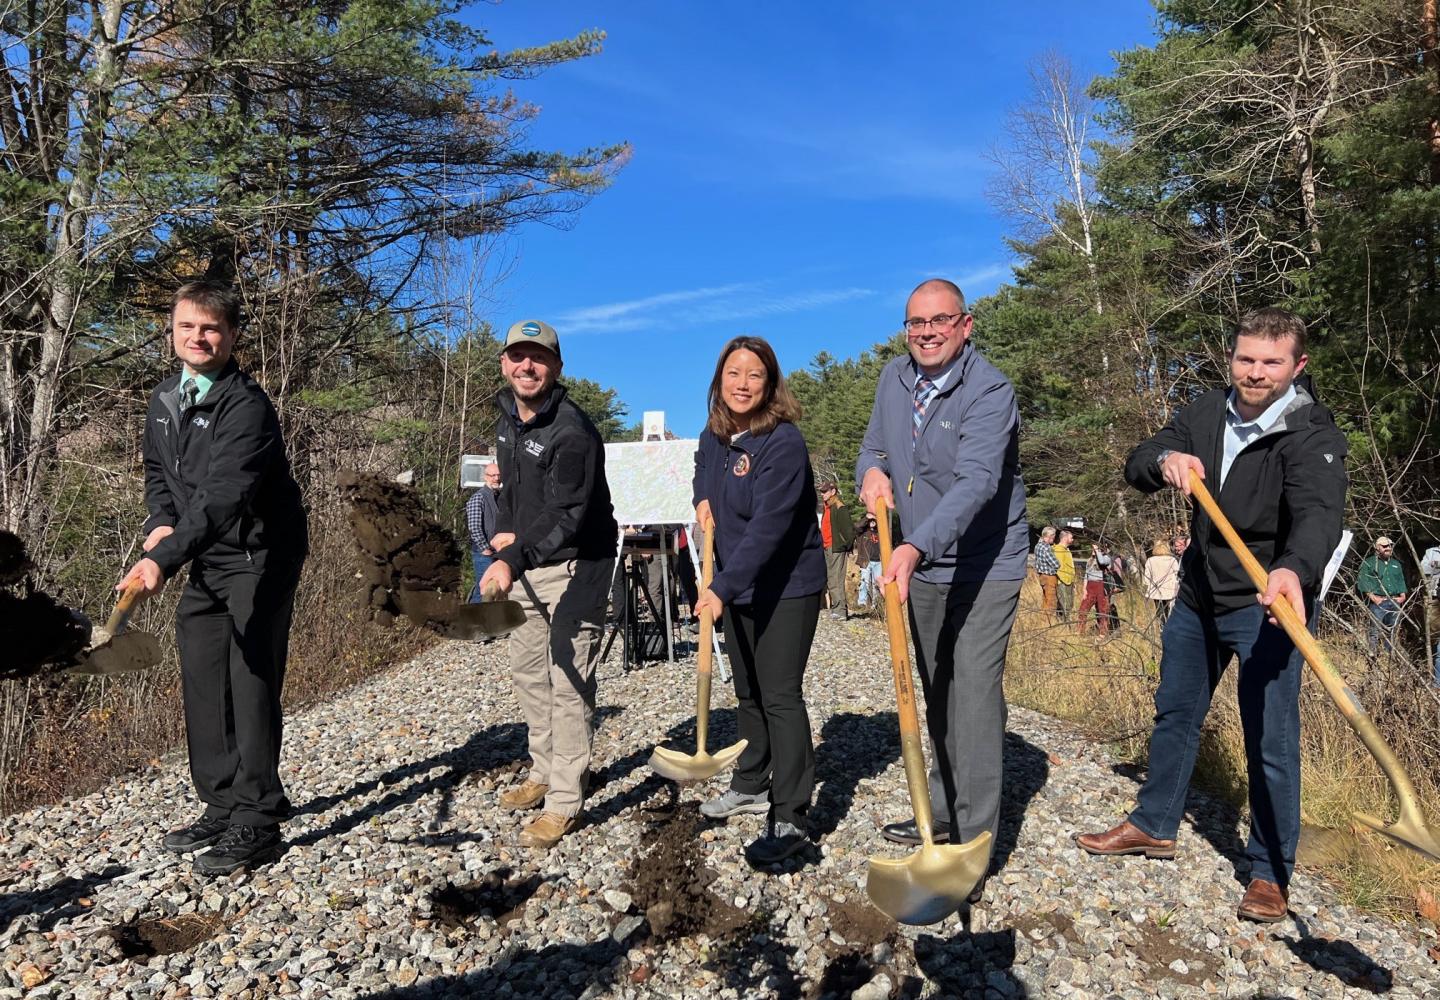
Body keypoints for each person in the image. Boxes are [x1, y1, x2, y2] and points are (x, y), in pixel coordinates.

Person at [1074, 307, 1346, 924]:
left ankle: (1270, 872)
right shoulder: (1203, 412)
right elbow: (1139, 460)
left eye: (1271, 362)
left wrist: (1294, 570)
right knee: (1176, 711)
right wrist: (1165, 460)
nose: (1255, 372)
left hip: (1268, 601)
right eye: (1246, 358)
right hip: (1199, 594)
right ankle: (1154, 824)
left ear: (1297, 366)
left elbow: (1318, 516)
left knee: (1270, 738)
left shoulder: (1312, 434)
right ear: (1232, 358)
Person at [118, 281, 308, 876]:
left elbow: (226, 493)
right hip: (206, 557)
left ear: (230, 337)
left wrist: (165, 556)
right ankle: (222, 803)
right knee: (203, 678)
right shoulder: (165, 399)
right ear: (172, 333)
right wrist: (159, 523)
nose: (199, 338)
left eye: (211, 329)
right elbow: (158, 474)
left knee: (249, 680)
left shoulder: (245, 406)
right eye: (187, 328)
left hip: (260, 555)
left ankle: (257, 817)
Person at [857, 278, 1029, 903]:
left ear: (966, 324)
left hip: (985, 562)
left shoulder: (990, 390)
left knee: (974, 692)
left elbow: (978, 481)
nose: (926, 332)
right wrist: (869, 472)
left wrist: (914, 543)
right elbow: (873, 448)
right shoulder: (893, 380)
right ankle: (942, 806)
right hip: (922, 563)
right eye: (914, 323)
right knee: (933, 687)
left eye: (939, 321)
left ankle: (971, 842)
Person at [480, 319, 618, 850]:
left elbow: (567, 514)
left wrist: (512, 559)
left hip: (577, 562)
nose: (527, 366)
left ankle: (565, 798)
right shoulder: (506, 421)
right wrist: (503, 516)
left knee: (567, 677)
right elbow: (523, 495)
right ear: (504, 363)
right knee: (529, 670)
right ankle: (543, 769)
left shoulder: (572, 431)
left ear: (557, 367)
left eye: (538, 357)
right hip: (527, 561)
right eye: (518, 356)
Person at [692, 336, 826, 866]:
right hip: (738, 581)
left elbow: (770, 527)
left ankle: (791, 809)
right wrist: (702, 499)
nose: (742, 384)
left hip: (786, 585)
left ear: (770, 383)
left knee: (779, 695)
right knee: (746, 690)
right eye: (733, 373)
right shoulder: (714, 434)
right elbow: (704, 478)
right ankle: (750, 781)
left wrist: (720, 588)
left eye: (754, 375)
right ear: (719, 380)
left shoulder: (783, 442)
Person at [1357, 536, 1407, 656]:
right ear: (1377, 547)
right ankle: (1372, 655)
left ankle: (1389, 655)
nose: (1388, 548)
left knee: (1392, 631)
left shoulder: (1396, 564)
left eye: (1390, 546)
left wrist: (1403, 596)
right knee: (1374, 631)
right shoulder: (1369, 563)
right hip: (1378, 602)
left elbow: (1401, 580)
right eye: (1384, 546)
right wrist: (1373, 598)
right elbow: (1363, 581)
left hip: (1395, 601)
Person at [465, 462, 502, 602]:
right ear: (485, 477)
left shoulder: (499, 497)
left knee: (493, 590)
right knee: (483, 589)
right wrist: (484, 548)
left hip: (497, 551)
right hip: (484, 554)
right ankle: (472, 619)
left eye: (498, 475)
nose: (496, 478)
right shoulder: (478, 498)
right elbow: (474, 527)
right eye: (493, 475)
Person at [819, 481, 855, 620]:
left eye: (825, 491)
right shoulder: (827, 507)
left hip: (836, 548)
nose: (822, 494)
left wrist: (844, 546)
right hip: (827, 547)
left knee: (836, 579)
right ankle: (837, 609)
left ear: (833, 491)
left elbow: (849, 532)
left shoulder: (840, 507)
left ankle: (840, 611)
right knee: (831, 579)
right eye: (822, 491)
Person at [1142, 540, 1181, 626]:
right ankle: (1169, 627)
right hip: (1170, 590)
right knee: (1169, 610)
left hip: (1155, 590)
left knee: (1159, 610)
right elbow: (1177, 575)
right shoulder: (1172, 560)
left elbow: (1146, 578)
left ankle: (1162, 627)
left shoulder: (1150, 560)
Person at [1077, 542, 1112, 635]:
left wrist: (1097, 551)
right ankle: (1080, 631)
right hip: (1090, 587)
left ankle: (1103, 633)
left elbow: (1101, 562)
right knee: (1083, 610)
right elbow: (1086, 575)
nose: (1093, 550)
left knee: (1102, 610)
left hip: (1101, 586)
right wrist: (1084, 589)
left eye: (1096, 549)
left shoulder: (1106, 558)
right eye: (1093, 549)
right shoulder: (1090, 560)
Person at [1033, 526, 1061, 621]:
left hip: (1042, 576)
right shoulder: (1046, 547)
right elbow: (1055, 564)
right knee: (1051, 601)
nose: (1053, 539)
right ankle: (1049, 621)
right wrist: (1058, 563)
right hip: (1049, 576)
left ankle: (1043, 620)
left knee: (1045, 599)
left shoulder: (1037, 546)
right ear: (1048, 536)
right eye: (1053, 537)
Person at [854, 514, 881, 612]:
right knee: (864, 582)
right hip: (866, 560)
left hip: (878, 562)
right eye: (871, 520)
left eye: (874, 519)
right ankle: (862, 603)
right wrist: (867, 517)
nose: (873, 521)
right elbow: (857, 526)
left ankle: (876, 605)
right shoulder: (862, 532)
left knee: (876, 584)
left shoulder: (880, 532)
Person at [1422, 544, 1440, 687]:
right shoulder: (1431, 552)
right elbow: (1424, 569)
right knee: (1434, 639)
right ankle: (1435, 680)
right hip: (1433, 599)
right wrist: (1437, 565)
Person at [1054, 529, 1076, 622]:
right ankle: (1065, 625)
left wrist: (1072, 581)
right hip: (1063, 582)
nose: (1073, 539)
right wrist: (1066, 580)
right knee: (1065, 605)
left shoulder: (1067, 550)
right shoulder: (1058, 550)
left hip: (1069, 581)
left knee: (1069, 604)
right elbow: (1059, 568)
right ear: (1065, 538)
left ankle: (1063, 622)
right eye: (1071, 537)